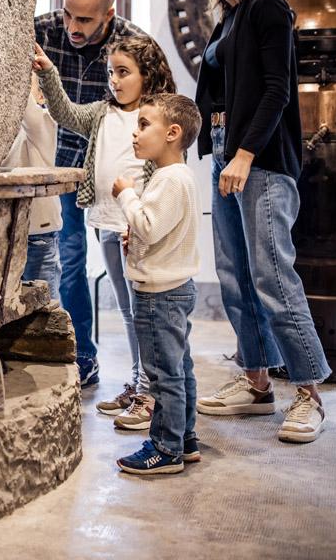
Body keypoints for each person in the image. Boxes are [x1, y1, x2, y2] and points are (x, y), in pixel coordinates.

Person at [189, 0, 330, 444]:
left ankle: (310, 393)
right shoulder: (227, 17)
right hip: (226, 152)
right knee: (234, 274)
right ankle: (256, 383)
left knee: (272, 275)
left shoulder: (268, 7)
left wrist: (245, 154)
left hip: (261, 158)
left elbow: (277, 91)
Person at [32, 33, 175, 414]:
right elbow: (65, 113)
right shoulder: (102, 113)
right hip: (108, 225)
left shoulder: (157, 117)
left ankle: (154, 389)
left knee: (147, 311)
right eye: (112, 72)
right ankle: (138, 380)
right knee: (128, 310)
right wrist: (48, 73)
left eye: (124, 72)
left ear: (149, 74)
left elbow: (166, 169)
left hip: (139, 227)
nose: (115, 80)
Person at [35, 0, 151, 387]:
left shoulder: (133, 46)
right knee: (68, 260)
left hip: (114, 177)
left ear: (110, 14)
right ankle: (81, 355)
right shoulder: (42, 30)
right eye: (69, 15)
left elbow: (163, 116)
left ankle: (148, 380)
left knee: (131, 283)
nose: (73, 28)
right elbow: (64, 112)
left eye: (85, 20)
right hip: (59, 163)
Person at [111, 93, 202, 475]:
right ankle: (185, 437)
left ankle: (165, 449)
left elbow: (148, 224)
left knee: (163, 375)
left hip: (158, 295)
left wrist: (126, 195)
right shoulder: (178, 177)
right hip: (176, 286)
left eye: (144, 124)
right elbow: (161, 231)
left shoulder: (168, 179)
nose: (136, 133)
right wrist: (139, 237)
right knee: (179, 367)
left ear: (173, 133)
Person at [0, 73, 63, 301]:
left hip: (39, 233)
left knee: (44, 304)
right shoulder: (3, 131)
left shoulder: (44, 125)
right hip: (9, 232)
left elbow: (29, 113)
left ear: (40, 95)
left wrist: (11, 71)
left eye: (26, 85)